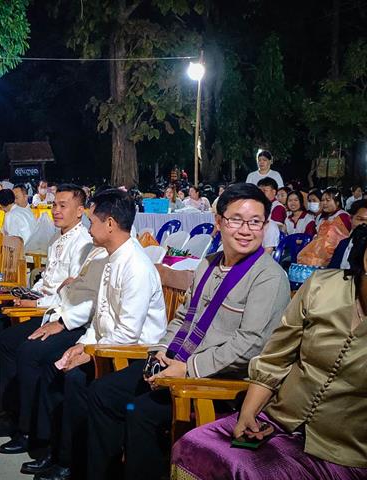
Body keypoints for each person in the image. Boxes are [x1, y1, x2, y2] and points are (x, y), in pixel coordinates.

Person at [87, 182, 291, 480]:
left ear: (265, 225)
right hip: (175, 361)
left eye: (255, 222)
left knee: (139, 410)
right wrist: (160, 351)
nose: (245, 230)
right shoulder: (208, 264)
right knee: (103, 392)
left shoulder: (268, 277)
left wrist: (188, 369)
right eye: (236, 220)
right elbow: (184, 316)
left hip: (217, 380)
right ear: (219, 222)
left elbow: (250, 345)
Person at [171, 224, 367, 479]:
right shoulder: (322, 288)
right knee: (193, 445)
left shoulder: (269, 275)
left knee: (248, 471)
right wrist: (248, 414)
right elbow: (276, 358)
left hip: (345, 450)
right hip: (278, 421)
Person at [30, 189, 168, 480]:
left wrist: (90, 353)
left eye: (92, 221)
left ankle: (83, 466)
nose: (88, 228)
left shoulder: (136, 266)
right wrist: (82, 346)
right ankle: (63, 455)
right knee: (62, 367)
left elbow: (129, 333)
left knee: (81, 383)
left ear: (110, 224)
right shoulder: (112, 256)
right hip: (110, 347)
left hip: (135, 356)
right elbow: (100, 318)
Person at [0, 185, 93, 446]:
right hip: (45, 306)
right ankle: (6, 410)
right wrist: (30, 294)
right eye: (54, 205)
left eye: (63, 206)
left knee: (13, 343)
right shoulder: (57, 238)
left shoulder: (83, 243)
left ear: (80, 211)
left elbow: (70, 294)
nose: (57, 210)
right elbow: (49, 280)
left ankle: (24, 426)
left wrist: (39, 303)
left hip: (61, 314)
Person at [328, 199, 367, 269]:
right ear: (350, 219)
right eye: (360, 219)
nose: (365, 224)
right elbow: (332, 270)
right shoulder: (344, 244)